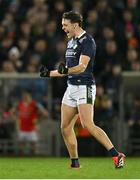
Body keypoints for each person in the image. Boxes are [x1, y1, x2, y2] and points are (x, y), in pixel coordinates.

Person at [40, 11, 125, 168]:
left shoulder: (88, 41)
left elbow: (81, 67)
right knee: (65, 127)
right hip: (71, 87)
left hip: (84, 86)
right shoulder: (71, 41)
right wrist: (49, 74)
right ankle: (75, 163)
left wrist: (65, 71)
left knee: (87, 124)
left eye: (65, 25)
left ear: (75, 24)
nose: (63, 28)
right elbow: (66, 69)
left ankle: (116, 155)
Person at [10, 89, 48, 155]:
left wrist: (39, 120)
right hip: (22, 128)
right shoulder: (20, 104)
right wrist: (16, 118)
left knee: (33, 146)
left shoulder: (34, 104)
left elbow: (45, 113)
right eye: (24, 96)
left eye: (27, 96)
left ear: (30, 96)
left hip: (32, 129)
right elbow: (11, 111)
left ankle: (33, 160)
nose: (25, 97)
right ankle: (22, 161)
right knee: (21, 146)